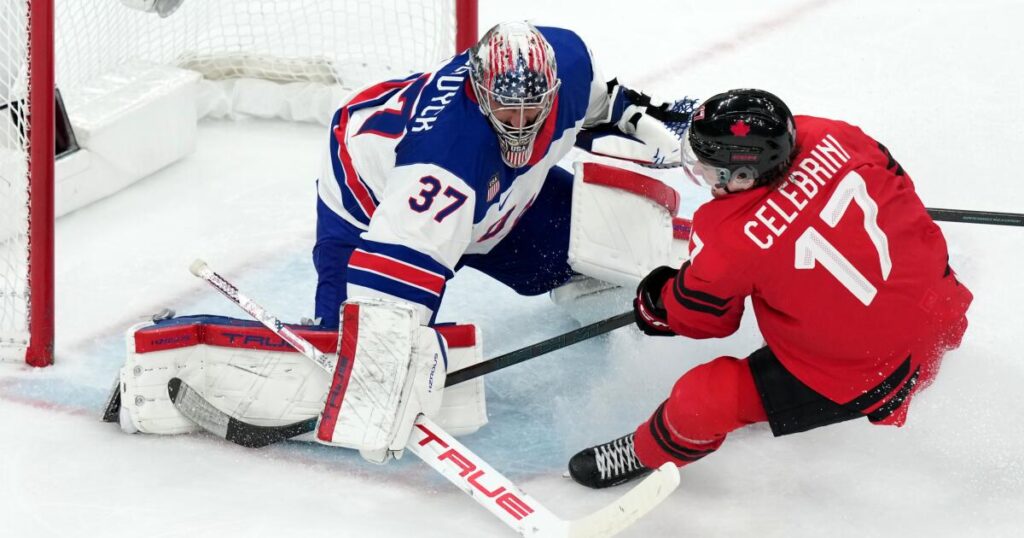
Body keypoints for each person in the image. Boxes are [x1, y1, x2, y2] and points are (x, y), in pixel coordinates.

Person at [567, 89, 974, 489]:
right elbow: (898, 181)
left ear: (743, 175)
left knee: (704, 398)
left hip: (876, 376)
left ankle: (645, 452)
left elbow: (705, 320)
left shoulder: (727, 241)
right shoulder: (836, 134)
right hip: (944, 309)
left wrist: (656, 302)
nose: (702, 175)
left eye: (709, 168)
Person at [313, 20, 694, 329]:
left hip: (485, 186)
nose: (521, 123)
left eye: (534, 107)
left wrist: (657, 129)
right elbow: (388, 299)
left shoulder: (572, 65)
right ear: (479, 91)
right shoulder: (446, 162)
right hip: (372, 197)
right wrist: (381, 348)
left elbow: (602, 108)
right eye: (507, 108)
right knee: (362, 328)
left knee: (566, 255)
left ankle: (581, 283)